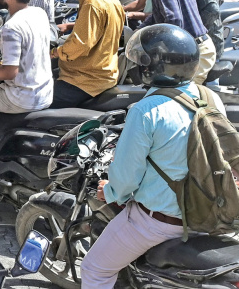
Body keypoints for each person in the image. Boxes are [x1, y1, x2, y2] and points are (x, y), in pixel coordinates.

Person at [80, 24, 226, 288]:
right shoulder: (209, 97)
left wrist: (109, 191)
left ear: (152, 68)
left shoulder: (146, 110)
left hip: (159, 223)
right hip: (208, 212)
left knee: (94, 269)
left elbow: (126, 178)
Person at [126, 0, 216, 84]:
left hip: (194, 53)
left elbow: (173, 22)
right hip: (194, 48)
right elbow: (156, 16)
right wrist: (138, 33)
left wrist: (155, 44)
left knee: (181, 99)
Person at [50, 0, 124, 108]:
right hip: (104, 72)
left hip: (85, 80)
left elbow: (81, 45)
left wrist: (54, 52)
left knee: (38, 100)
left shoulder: (92, 3)